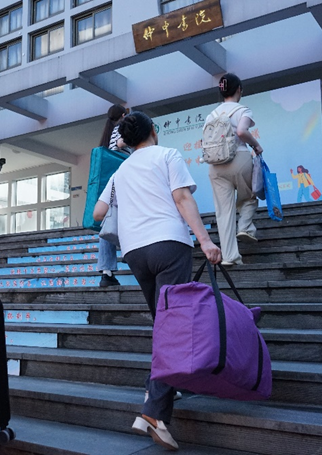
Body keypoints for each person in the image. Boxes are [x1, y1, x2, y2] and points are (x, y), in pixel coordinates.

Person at [93, 112, 221, 451]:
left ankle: (161, 385)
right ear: (152, 130)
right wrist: (205, 241)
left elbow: (98, 213)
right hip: (168, 245)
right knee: (174, 327)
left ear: (126, 139)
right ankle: (154, 412)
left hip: (135, 252)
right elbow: (182, 198)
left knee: (164, 324)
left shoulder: (120, 171)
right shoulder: (167, 155)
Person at [206, 73, 264, 266]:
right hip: (239, 158)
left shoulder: (211, 115)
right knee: (249, 196)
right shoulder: (242, 110)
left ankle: (230, 257)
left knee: (224, 212)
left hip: (215, 165)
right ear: (239, 89)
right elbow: (241, 131)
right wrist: (256, 145)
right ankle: (245, 227)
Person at [96, 104, 131, 287]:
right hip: (123, 179)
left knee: (108, 222)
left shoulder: (108, 132)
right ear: (123, 115)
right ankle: (128, 252)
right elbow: (120, 144)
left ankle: (106, 272)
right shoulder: (121, 128)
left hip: (111, 183)